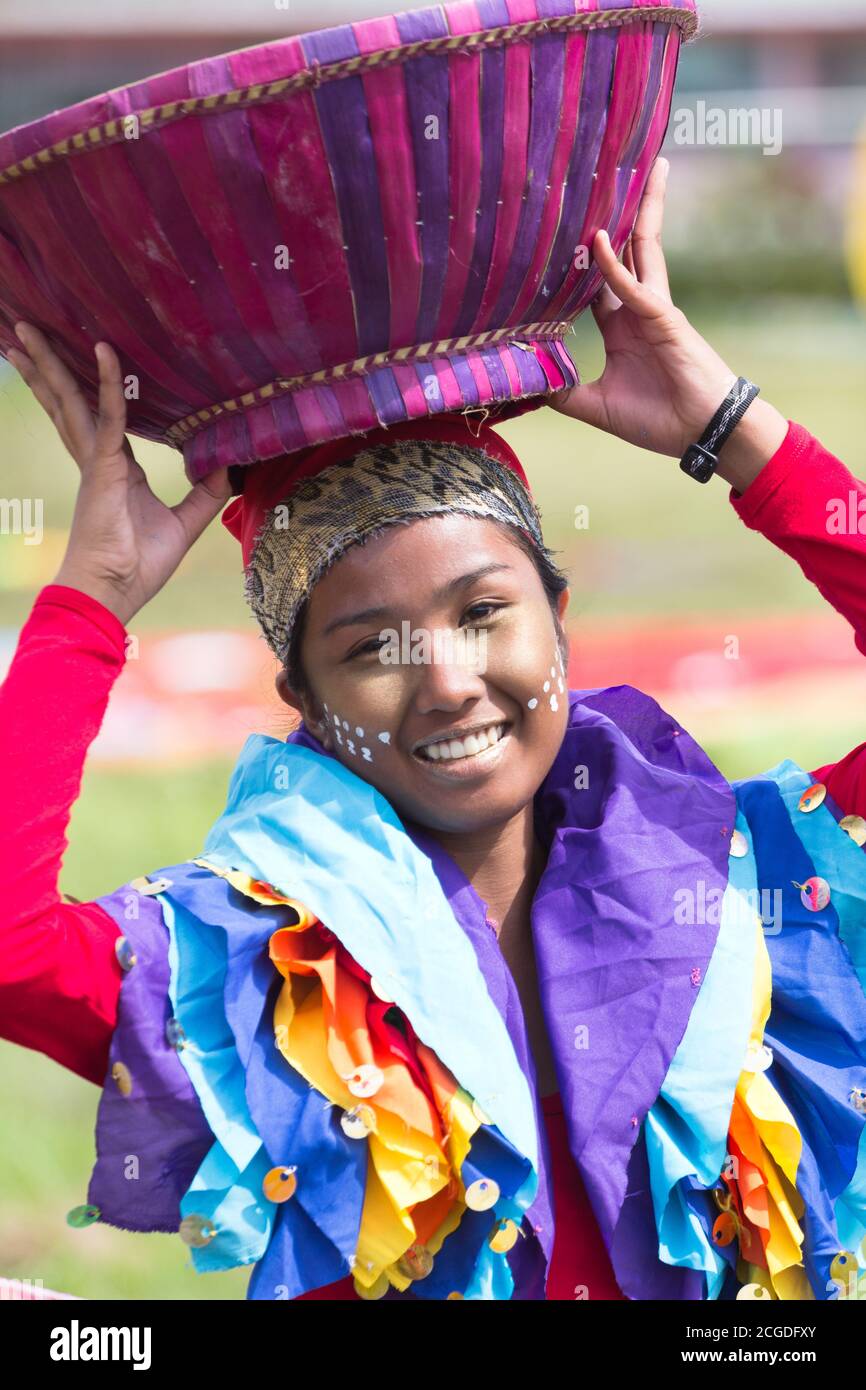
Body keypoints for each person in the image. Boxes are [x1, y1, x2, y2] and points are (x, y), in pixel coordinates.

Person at [1, 160, 865, 1301]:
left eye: (483, 613)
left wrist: (729, 427)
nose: (446, 682)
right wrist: (90, 605)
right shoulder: (257, 972)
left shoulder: (745, 884)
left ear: (557, 620)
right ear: (301, 698)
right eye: (367, 649)